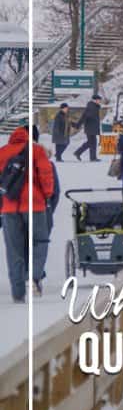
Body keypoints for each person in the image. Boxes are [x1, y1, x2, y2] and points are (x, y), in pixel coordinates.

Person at [0, 126, 54, 301]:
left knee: (13, 250)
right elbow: (46, 175)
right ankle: (34, 277)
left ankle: (17, 293)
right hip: (35, 205)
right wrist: (47, 195)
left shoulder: (2, 152)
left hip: (9, 208)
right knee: (40, 241)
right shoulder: (36, 150)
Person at [73, 93, 103, 162]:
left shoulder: (93, 106)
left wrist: (78, 124)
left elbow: (84, 116)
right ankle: (83, 154)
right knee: (92, 142)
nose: (99, 101)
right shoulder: (92, 107)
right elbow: (86, 116)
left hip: (91, 127)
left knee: (91, 142)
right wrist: (79, 124)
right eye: (99, 100)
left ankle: (88, 156)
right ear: (95, 100)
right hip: (91, 127)